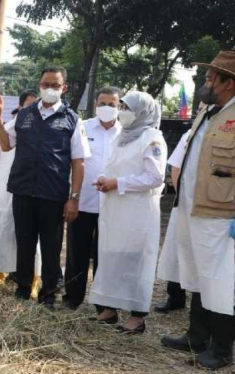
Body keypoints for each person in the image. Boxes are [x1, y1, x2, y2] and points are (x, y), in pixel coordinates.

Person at [161, 51, 235, 370]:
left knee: (220, 280)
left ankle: (221, 349)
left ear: (228, 82)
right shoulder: (209, 111)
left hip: (222, 215)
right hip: (194, 209)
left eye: (210, 78)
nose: (205, 83)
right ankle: (196, 335)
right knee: (198, 275)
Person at [0, 67, 90, 308]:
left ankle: (49, 294)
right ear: (39, 84)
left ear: (63, 88)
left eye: (55, 85)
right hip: (23, 190)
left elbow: (78, 163)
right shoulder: (24, 115)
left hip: (53, 194)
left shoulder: (72, 120)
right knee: (24, 243)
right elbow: (6, 145)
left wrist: (74, 197)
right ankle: (24, 289)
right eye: (46, 84)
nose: (49, 89)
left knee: (51, 246)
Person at [88, 91, 167, 334]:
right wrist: (104, 179)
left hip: (138, 212)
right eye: (121, 106)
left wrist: (118, 183)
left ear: (143, 112)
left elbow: (155, 177)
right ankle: (110, 309)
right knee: (112, 257)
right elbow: (113, 167)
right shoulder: (121, 137)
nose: (122, 111)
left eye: (127, 107)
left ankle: (137, 316)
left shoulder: (152, 138)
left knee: (135, 260)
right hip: (115, 210)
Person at [62, 87, 122, 310]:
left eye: (113, 104)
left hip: (113, 204)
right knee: (76, 252)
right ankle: (72, 298)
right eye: (103, 103)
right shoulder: (83, 127)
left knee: (104, 254)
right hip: (83, 201)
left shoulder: (125, 133)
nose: (107, 108)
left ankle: (102, 302)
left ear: (119, 107)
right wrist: (71, 197)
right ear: (96, 105)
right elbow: (73, 162)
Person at [0, 90, 38, 285]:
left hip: (30, 191)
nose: (33, 109)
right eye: (29, 104)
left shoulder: (43, 131)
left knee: (29, 237)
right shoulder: (7, 127)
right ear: (20, 106)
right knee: (2, 232)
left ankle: (30, 279)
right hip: (3, 192)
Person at [155, 129, 192, 314]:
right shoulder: (191, 133)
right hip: (188, 204)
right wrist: (184, 197)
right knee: (178, 250)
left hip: (220, 207)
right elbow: (176, 168)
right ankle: (176, 296)